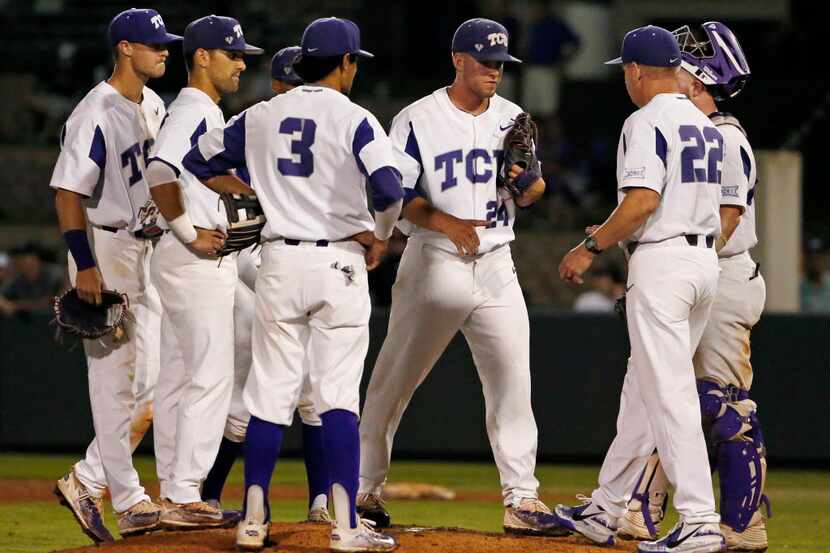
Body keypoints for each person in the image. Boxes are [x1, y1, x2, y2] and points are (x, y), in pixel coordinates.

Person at [182, 16, 403, 552]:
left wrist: (255, 195)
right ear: (347, 62)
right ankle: (346, 527)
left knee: (268, 396)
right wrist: (379, 237)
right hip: (339, 263)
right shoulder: (356, 118)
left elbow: (196, 159)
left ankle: (253, 518)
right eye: (354, 63)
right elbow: (391, 188)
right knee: (336, 399)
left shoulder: (259, 115)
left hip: (277, 262)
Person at [356, 18, 565, 538]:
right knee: (393, 382)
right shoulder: (416, 118)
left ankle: (522, 498)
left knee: (514, 384)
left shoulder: (514, 117)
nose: (494, 70)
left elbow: (529, 193)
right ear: (458, 59)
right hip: (433, 260)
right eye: (485, 61)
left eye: (500, 63)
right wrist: (444, 220)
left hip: (497, 262)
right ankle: (362, 489)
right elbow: (395, 193)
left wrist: (533, 187)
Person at [554, 25, 725, 553]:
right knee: (643, 392)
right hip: (702, 263)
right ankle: (606, 508)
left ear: (635, 70)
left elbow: (641, 203)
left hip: (665, 262)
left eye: (624, 71)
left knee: (669, 394)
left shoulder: (645, 120)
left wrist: (591, 246)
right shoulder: (707, 124)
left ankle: (699, 519)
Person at [616, 22, 769, 552]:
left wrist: (680, 255)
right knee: (665, 392)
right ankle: (639, 505)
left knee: (718, 403)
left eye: (688, 71)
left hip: (722, 271)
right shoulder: (701, 129)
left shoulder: (723, 135)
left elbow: (725, 216)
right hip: (707, 270)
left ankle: (739, 523)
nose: (679, 74)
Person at [49, 8, 179, 540]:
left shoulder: (152, 103)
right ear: (125, 48)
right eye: (154, 44)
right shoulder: (95, 111)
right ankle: (128, 500)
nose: (164, 51)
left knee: (152, 383)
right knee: (114, 383)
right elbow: (68, 193)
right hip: (106, 246)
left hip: (147, 248)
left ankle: (86, 478)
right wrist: (84, 264)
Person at [198, 44, 332, 525]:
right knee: (310, 392)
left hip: (253, 257)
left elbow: (201, 162)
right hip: (292, 256)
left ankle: (215, 497)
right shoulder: (331, 118)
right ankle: (320, 504)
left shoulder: (255, 120)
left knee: (253, 394)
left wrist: (242, 189)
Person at [144, 14, 263, 529]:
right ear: (202, 57)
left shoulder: (196, 112)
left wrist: (229, 188)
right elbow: (159, 170)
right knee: (211, 374)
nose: (241, 63)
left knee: (177, 376)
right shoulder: (193, 110)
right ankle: (186, 492)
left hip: (179, 259)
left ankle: (173, 490)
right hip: (195, 258)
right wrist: (189, 231)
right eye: (233, 54)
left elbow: (191, 172)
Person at [0, 243, 63, 316]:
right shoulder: (19, 279)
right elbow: (3, 295)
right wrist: (5, 303)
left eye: (25, 258)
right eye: (19, 260)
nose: (23, 264)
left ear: (38, 261)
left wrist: (16, 305)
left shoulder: (54, 274)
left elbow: (49, 303)